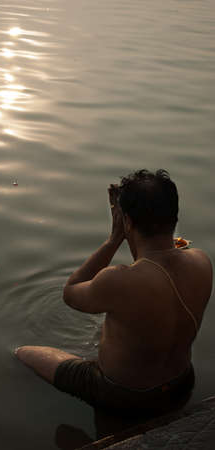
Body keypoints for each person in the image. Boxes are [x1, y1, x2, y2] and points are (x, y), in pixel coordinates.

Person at [15, 169, 213, 415]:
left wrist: (113, 239)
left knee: (24, 353)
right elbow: (150, 269)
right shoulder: (202, 261)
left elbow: (70, 293)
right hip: (181, 383)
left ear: (127, 221)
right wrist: (129, 230)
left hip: (123, 395)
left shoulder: (117, 280)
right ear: (174, 217)